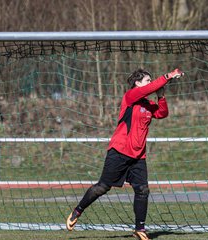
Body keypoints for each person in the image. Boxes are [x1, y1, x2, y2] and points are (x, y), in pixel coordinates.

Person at [66, 68, 184, 240]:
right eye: (147, 80)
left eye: (151, 81)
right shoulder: (130, 97)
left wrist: (161, 96)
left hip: (138, 156)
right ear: (137, 83)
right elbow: (147, 90)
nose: (150, 84)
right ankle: (77, 211)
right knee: (103, 187)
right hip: (119, 151)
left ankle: (140, 229)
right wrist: (168, 76)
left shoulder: (148, 105)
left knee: (142, 190)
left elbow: (162, 113)